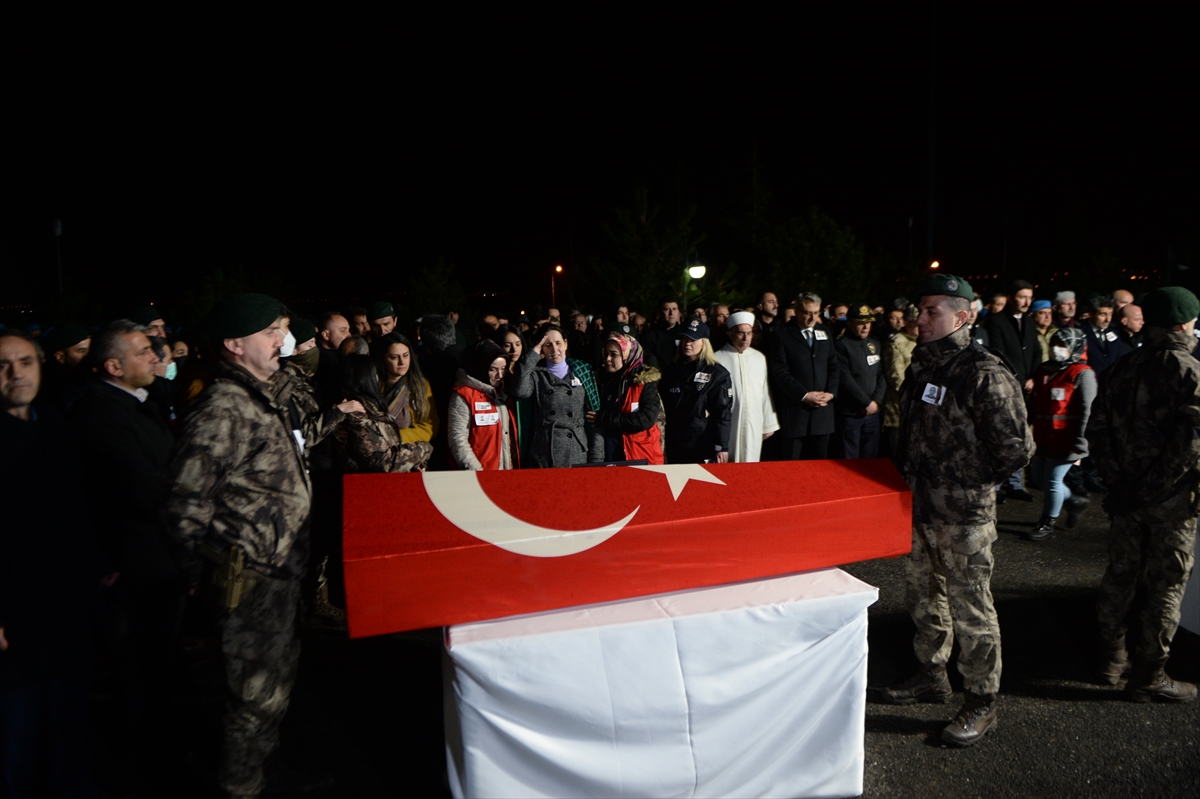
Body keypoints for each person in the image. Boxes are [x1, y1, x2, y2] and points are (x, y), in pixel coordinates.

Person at [164, 294, 340, 796]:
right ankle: (241, 786)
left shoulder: (262, 393)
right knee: (250, 697)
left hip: (278, 575)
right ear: (233, 345)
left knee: (274, 690)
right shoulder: (223, 406)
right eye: (270, 332)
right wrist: (200, 577)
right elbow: (183, 501)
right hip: (248, 581)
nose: (280, 340)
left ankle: (266, 772)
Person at [881, 274, 1034, 748]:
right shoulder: (924, 368)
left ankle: (982, 701)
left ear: (962, 317)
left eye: (931, 312)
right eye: (918, 311)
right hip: (920, 508)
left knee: (972, 608)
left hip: (964, 514)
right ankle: (931, 674)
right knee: (923, 597)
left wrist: (965, 479)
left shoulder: (983, 372)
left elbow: (1016, 449)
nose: (919, 319)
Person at [70, 320, 182, 786]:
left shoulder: (138, 404)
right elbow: (141, 488)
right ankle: (144, 768)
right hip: (135, 566)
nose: (156, 356)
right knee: (138, 671)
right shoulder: (100, 414)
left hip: (155, 558)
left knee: (157, 667)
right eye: (142, 351)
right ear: (113, 365)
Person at [1087, 286, 1200, 702]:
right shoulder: (1189, 370)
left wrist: (1120, 484)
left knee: (1120, 576)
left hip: (1125, 498)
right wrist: (1150, 491)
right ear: (1182, 324)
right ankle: (1150, 674)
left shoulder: (1122, 367)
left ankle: (1111, 660)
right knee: (1165, 585)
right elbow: (1190, 445)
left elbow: (1096, 430)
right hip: (1168, 503)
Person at [0, 329, 99, 798]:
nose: (15, 373)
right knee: (14, 729)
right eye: (2, 365)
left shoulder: (56, 424)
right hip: (12, 611)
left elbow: (78, 505)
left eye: (25, 362)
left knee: (67, 713)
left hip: (65, 599)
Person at [1026, 329, 1095, 541]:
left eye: (1063, 345)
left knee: (1053, 481)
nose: (1057, 349)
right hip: (1043, 436)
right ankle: (1073, 500)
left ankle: (1047, 522)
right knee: (1039, 479)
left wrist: (1081, 443)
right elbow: (1034, 403)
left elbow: (1087, 409)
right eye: (1055, 343)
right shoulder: (1043, 370)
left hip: (1068, 439)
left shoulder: (1082, 374)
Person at [508, 324, 603, 467]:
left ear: (566, 343)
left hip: (576, 450)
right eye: (548, 345)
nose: (554, 349)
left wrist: (597, 457)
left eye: (558, 343)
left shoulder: (583, 371)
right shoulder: (536, 374)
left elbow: (594, 416)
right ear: (541, 349)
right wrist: (533, 355)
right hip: (544, 451)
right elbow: (521, 391)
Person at [765, 291, 840, 460]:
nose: (813, 317)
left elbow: (834, 365)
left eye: (816, 312)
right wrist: (804, 395)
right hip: (795, 414)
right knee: (792, 466)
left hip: (822, 414)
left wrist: (830, 393)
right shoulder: (782, 334)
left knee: (820, 467)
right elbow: (779, 371)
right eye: (808, 313)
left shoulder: (825, 331)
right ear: (797, 311)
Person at [983, 280, 1038, 502]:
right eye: (1022, 297)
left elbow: (1035, 351)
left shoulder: (1030, 323)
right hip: (1005, 388)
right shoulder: (995, 322)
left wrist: (1033, 376)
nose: (1026, 302)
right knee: (1001, 434)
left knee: (1021, 435)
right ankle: (995, 487)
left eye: (1029, 297)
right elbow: (997, 353)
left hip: (1027, 389)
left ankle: (1016, 484)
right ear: (1011, 297)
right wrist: (1014, 379)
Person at [331, 355, 433, 473]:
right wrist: (423, 449)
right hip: (369, 486)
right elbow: (384, 462)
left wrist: (416, 464)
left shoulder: (371, 408)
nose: (379, 379)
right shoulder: (357, 414)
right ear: (366, 378)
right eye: (376, 374)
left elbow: (390, 445)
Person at [660, 319, 732, 464]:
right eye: (685, 339)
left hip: (703, 443)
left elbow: (722, 413)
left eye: (693, 340)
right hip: (674, 443)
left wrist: (721, 446)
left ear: (704, 343)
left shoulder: (717, 374)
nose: (687, 343)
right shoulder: (671, 371)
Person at [587, 333, 664, 464]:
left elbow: (646, 418)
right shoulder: (600, 381)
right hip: (609, 455)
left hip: (639, 456)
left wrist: (604, 419)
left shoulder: (643, 382)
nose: (608, 359)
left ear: (628, 355)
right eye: (605, 353)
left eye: (614, 354)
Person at [713, 311, 778, 463]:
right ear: (730, 333)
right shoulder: (717, 358)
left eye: (749, 333)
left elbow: (764, 391)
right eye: (741, 333)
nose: (745, 338)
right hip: (728, 423)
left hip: (753, 422)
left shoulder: (759, 358)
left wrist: (768, 423)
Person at [448, 340, 517, 470]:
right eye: (493, 370)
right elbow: (457, 440)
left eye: (503, 369)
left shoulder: (506, 393)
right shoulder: (463, 395)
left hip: (508, 473)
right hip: (480, 474)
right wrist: (477, 472)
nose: (500, 375)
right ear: (480, 366)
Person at [834, 303, 886, 459]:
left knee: (870, 461)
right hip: (850, 414)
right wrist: (865, 402)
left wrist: (876, 401)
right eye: (860, 323)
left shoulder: (875, 343)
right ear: (849, 323)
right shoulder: (841, 345)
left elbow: (881, 375)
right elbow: (845, 379)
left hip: (872, 414)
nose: (865, 327)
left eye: (868, 322)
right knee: (849, 461)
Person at [373, 332, 438, 447]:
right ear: (383, 358)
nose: (402, 362)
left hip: (406, 450)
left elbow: (430, 426)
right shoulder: (372, 384)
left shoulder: (420, 386)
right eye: (394, 357)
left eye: (405, 355)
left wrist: (398, 437)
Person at [492, 324, 533, 466]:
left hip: (527, 432)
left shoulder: (528, 369)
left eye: (518, 344)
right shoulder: (496, 373)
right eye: (508, 345)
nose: (514, 350)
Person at [882, 304, 919, 456]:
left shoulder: (927, 342)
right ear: (908, 322)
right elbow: (896, 378)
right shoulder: (897, 343)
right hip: (900, 410)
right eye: (917, 323)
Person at [1081, 295, 1122, 374]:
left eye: (1110, 314)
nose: (1108, 319)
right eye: (1103, 315)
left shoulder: (1114, 333)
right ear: (1091, 314)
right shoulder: (1080, 333)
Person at [640, 297, 683, 369]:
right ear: (659, 313)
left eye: (674, 309)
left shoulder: (685, 334)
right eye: (667, 309)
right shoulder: (649, 335)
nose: (671, 313)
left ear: (678, 312)